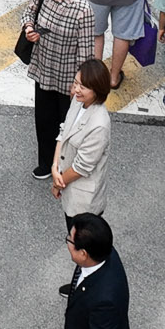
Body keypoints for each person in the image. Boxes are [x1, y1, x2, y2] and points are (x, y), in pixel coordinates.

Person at [23, 0, 95, 177]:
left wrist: (80, 86)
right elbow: (28, 13)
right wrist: (28, 29)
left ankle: (65, 168)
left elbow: (85, 53)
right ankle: (45, 163)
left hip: (68, 79)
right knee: (44, 121)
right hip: (43, 70)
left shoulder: (83, 10)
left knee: (68, 127)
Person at [51, 59, 114, 222]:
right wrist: (55, 166)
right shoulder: (78, 102)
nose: (76, 89)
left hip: (84, 202)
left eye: (83, 87)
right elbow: (64, 131)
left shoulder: (99, 125)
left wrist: (58, 182)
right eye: (76, 83)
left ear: (97, 90)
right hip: (68, 187)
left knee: (82, 244)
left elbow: (82, 167)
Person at [63, 213, 134, 329]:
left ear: (83, 254)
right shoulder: (101, 249)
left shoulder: (105, 301)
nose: (68, 243)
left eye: (69, 240)